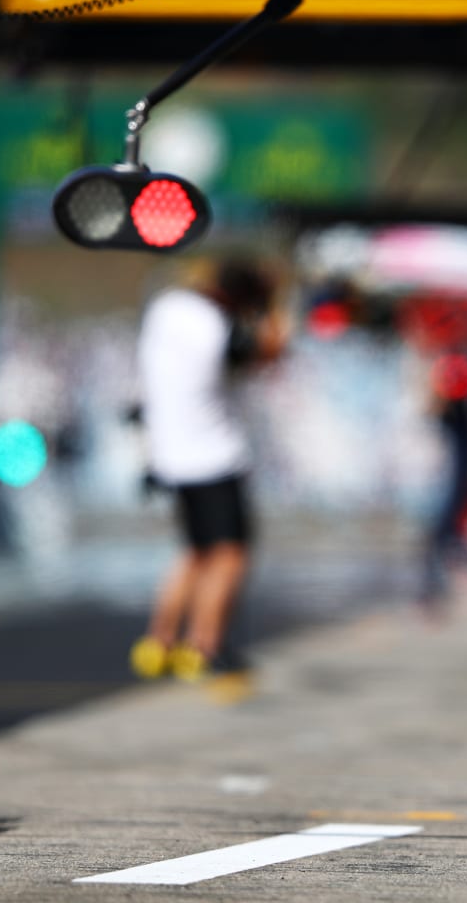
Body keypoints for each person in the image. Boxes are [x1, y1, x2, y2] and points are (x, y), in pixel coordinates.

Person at [129, 254, 287, 684]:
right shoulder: (217, 327)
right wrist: (271, 307)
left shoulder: (166, 310)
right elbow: (269, 353)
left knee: (196, 551)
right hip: (214, 455)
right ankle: (205, 645)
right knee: (230, 555)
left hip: (170, 452)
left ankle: (158, 641)